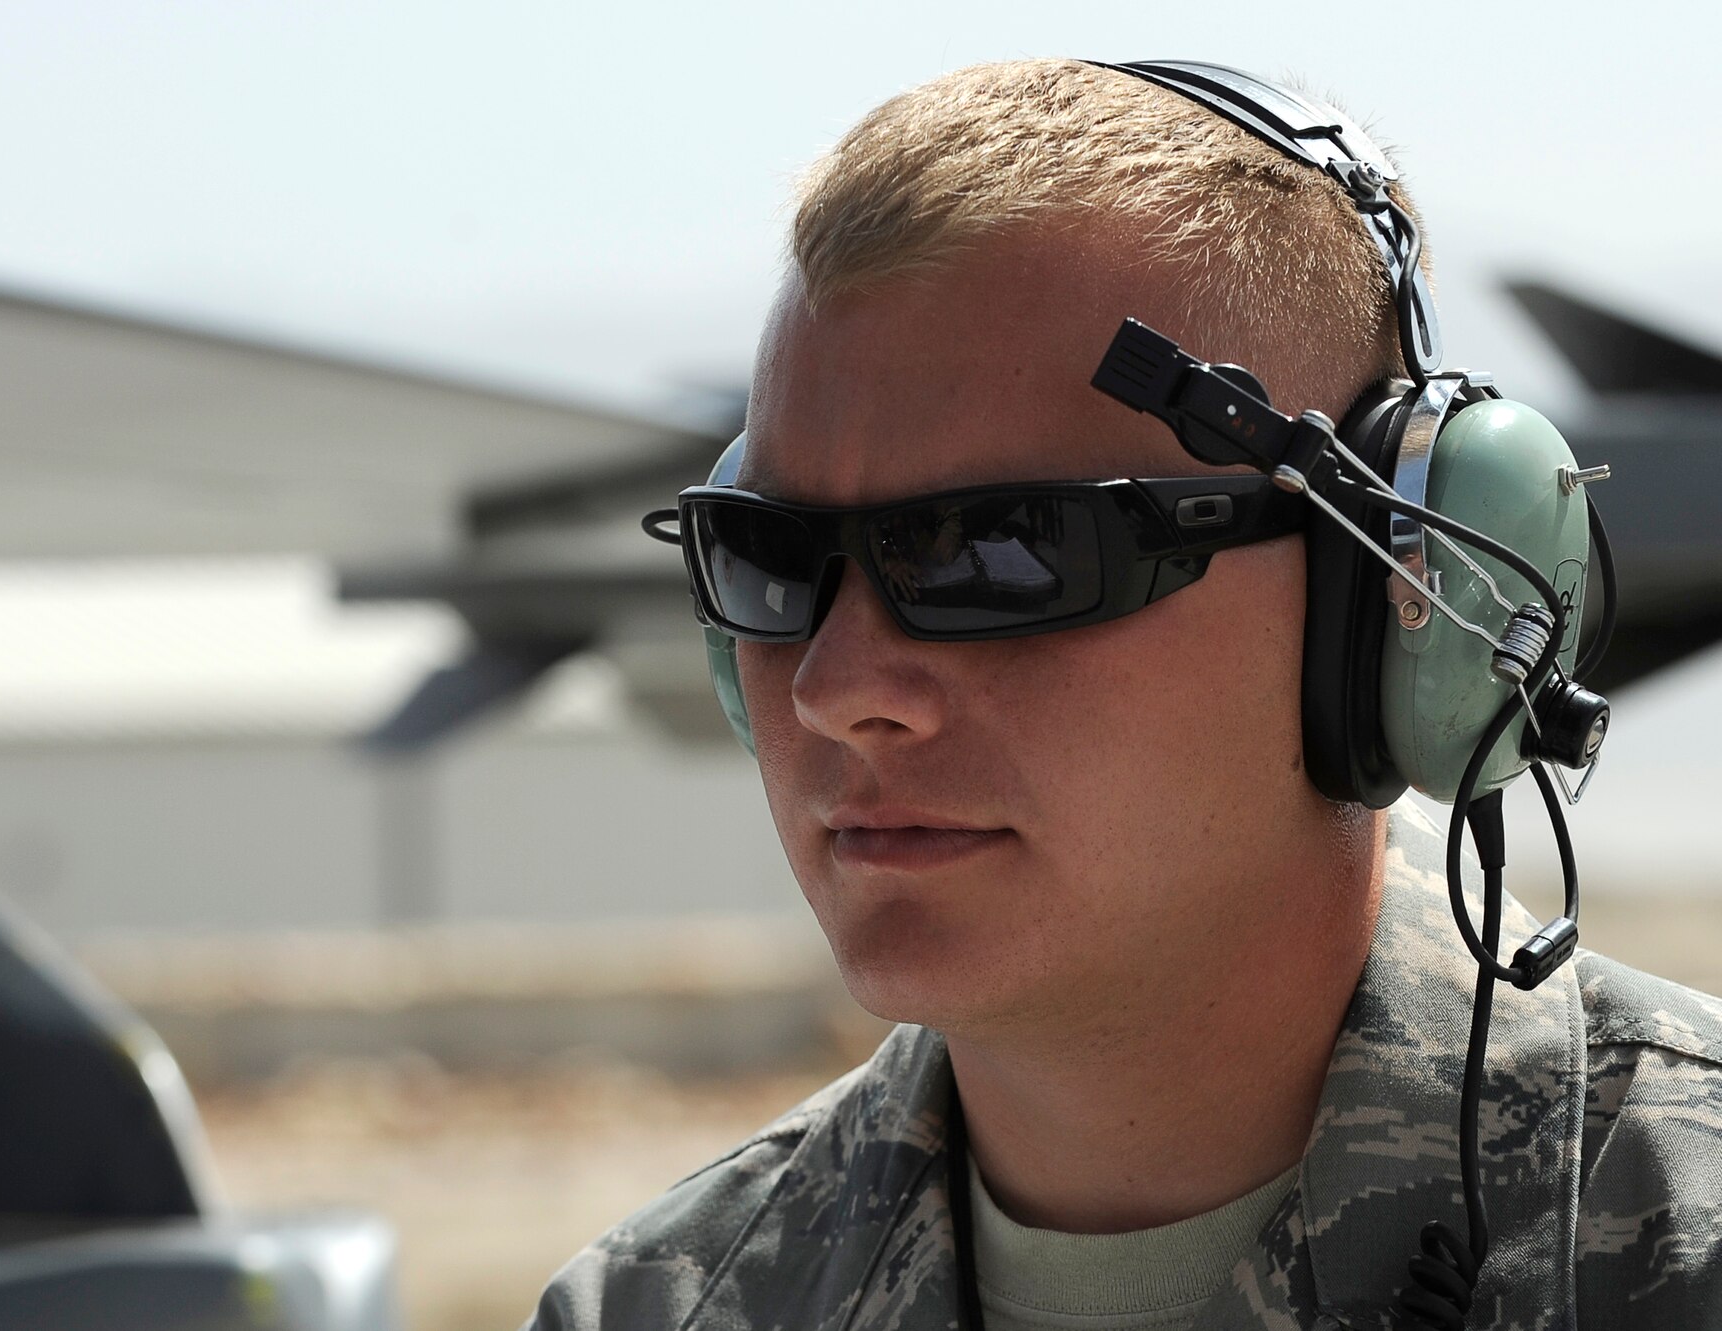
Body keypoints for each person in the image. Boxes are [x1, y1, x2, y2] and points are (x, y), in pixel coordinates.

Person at [526, 59, 1722, 1330]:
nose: (837, 688)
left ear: (1379, 601)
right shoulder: (660, 1304)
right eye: (766, 554)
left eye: (1005, 550)